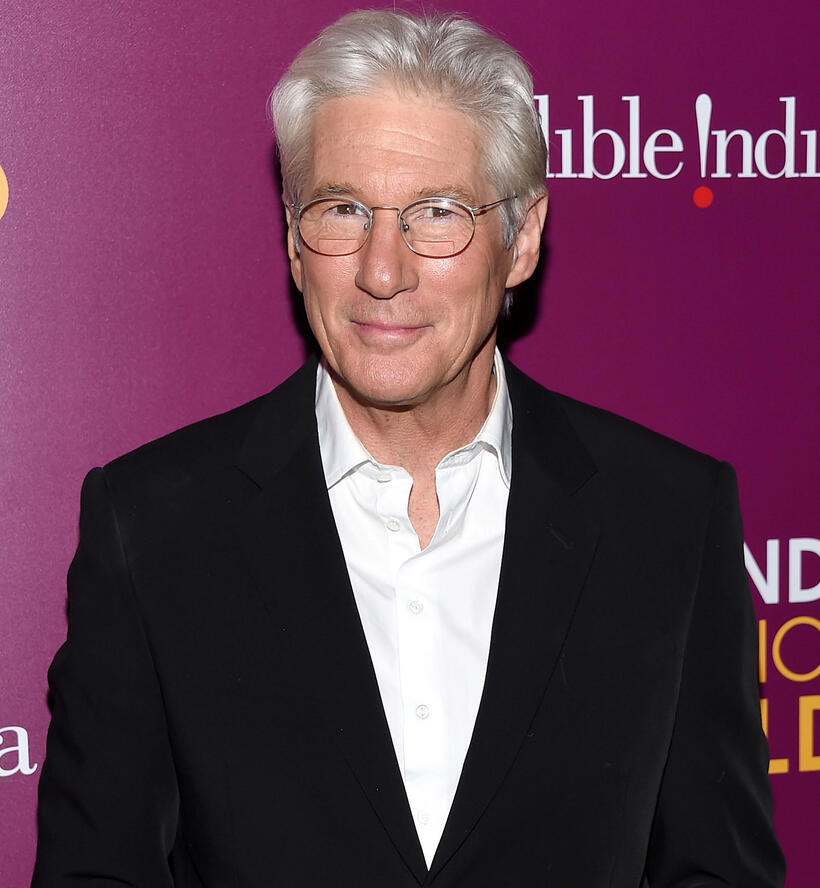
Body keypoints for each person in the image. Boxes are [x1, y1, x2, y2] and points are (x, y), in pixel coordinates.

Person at [33, 9, 784, 887]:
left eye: (436, 213)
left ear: (523, 237)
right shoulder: (152, 527)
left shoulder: (668, 519)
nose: (382, 271)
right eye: (342, 209)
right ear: (290, 235)